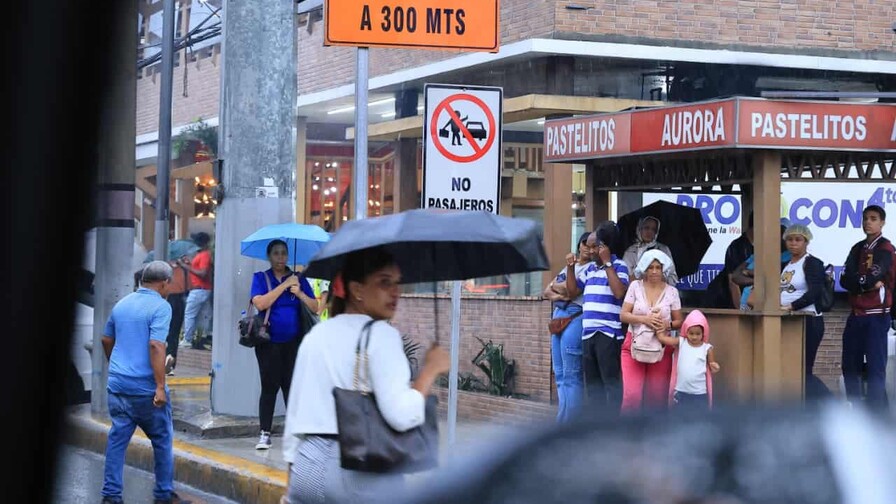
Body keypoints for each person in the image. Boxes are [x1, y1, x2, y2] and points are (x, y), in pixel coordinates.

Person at [282, 248, 451, 503]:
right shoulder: (382, 336)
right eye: (384, 282)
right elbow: (401, 415)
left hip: (307, 466)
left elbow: (294, 416)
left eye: (397, 283)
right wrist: (430, 371)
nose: (395, 292)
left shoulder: (317, 335)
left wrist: (291, 484)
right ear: (357, 290)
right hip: (357, 470)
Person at [100, 261, 191, 504]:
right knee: (161, 440)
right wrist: (160, 387)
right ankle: (162, 494)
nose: (169, 289)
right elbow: (156, 345)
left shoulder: (123, 304)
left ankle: (111, 496)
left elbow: (106, 339)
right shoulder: (161, 306)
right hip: (145, 390)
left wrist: (117, 366)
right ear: (163, 283)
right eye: (168, 285)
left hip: (118, 387)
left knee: (117, 441)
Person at [249, 239, 319, 450]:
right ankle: (265, 433)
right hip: (268, 342)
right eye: (276, 253)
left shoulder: (299, 279)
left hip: (294, 342)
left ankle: (295, 430)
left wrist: (298, 292)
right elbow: (260, 303)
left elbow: (315, 307)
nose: (281, 257)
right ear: (269, 256)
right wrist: (284, 286)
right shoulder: (261, 278)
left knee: (292, 386)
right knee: (269, 386)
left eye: (283, 253)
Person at [564, 222, 630, 413]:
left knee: (610, 383)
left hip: (608, 333)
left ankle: (611, 426)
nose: (591, 251)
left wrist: (608, 262)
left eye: (596, 246)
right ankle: (595, 428)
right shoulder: (590, 269)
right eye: (590, 247)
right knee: (593, 386)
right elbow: (572, 292)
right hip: (588, 334)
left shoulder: (619, 266)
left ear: (606, 246)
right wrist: (570, 268)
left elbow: (619, 292)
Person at [840, 205, 896, 408]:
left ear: (882, 222)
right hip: (855, 315)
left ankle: (876, 413)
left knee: (875, 366)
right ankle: (853, 407)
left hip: (876, 315)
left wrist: (863, 281)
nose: (867, 222)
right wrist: (863, 283)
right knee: (849, 364)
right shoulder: (857, 248)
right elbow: (845, 279)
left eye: (873, 218)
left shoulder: (886, 248)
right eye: (865, 218)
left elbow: (876, 274)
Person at [619, 250, 683, 412]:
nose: (654, 271)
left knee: (656, 397)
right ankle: (625, 434)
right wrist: (644, 319)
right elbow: (623, 315)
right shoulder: (635, 286)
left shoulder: (672, 292)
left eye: (658, 267)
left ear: (664, 269)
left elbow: (679, 321)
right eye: (650, 267)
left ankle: (651, 435)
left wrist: (667, 325)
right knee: (631, 396)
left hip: (661, 348)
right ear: (644, 269)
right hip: (633, 346)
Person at [778, 224, 831, 399]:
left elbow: (815, 292)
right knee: (790, 366)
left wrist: (792, 306)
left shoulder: (812, 263)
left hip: (808, 320)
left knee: (804, 368)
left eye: (798, 240)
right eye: (790, 239)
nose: (793, 243)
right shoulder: (785, 265)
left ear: (806, 242)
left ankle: (826, 401)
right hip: (789, 320)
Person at [543, 232, 592, 422]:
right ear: (579, 245)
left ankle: (571, 423)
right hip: (559, 315)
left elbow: (574, 290)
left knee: (572, 374)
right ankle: (561, 419)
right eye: (584, 244)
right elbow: (549, 289)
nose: (588, 248)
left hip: (575, 315)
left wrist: (564, 290)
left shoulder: (591, 269)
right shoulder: (569, 267)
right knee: (560, 373)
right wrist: (562, 294)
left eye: (591, 245)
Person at [658, 309, 720, 410]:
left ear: (703, 333)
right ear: (686, 331)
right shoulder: (681, 342)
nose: (694, 337)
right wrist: (659, 332)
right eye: (691, 333)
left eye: (698, 334)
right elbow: (665, 340)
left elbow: (712, 366)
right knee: (679, 417)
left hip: (699, 393)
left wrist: (715, 367)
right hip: (681, 391)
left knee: (699, 419)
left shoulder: (707, 348)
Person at [704, 211, 753, 308]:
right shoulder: (736, 246)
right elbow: (732, 282)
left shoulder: (763, 247)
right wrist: (741, 310)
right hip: (724, 300)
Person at [622, 216, 679, 285]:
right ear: (639, 229)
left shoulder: (663, 249)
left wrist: (660, 277)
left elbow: (673, 278)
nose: (649, 232)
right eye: (646, 228)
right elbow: (625, 278)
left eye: (653, 229)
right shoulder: (631, 251)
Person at [180, 232, 213, 350]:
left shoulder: (204, 255)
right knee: (204, 316)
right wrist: (189, 263)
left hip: (199, 290)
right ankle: (201, 339)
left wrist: (185, 266)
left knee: (189, 315)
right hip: (203, 289)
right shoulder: (203, 254)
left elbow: (203, 273)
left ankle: (187, 339)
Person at [164, 255, 190, 375]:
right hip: (176, 299)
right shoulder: (181, 268)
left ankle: (169, 360)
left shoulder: (173, 269)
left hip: (172, 299)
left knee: (171, 333)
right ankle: (169, 360)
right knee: (172, 333)